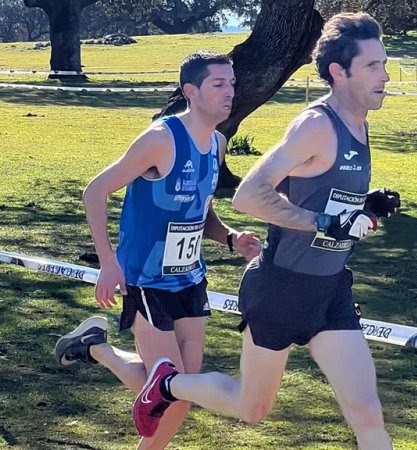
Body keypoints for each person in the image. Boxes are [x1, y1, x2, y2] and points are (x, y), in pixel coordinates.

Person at [131, 12, 401, 450]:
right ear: (339, 72)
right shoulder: (317, 125)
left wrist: (365, 204)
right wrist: (323, 222)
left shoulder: (359, 124)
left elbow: (322, 194)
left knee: (367, 413)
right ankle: (167, 385)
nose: (385, 76)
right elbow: (249, 195)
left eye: (384, 64)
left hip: (330, 290)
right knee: (251, 408)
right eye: (372, 66)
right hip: (280, 289)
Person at [54, 50, 262, 450]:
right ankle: (97, 349)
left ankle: (95, 347)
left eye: (232, 84)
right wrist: (109, 264)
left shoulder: (217, 144)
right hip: (146, 279)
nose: (229, 92)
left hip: (190, 278)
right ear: (191, 91)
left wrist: (231, 238)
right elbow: (95, 192)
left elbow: (200, 210)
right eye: (218, 84)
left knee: (181, 390)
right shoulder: (160, 140)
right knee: (173, 391)